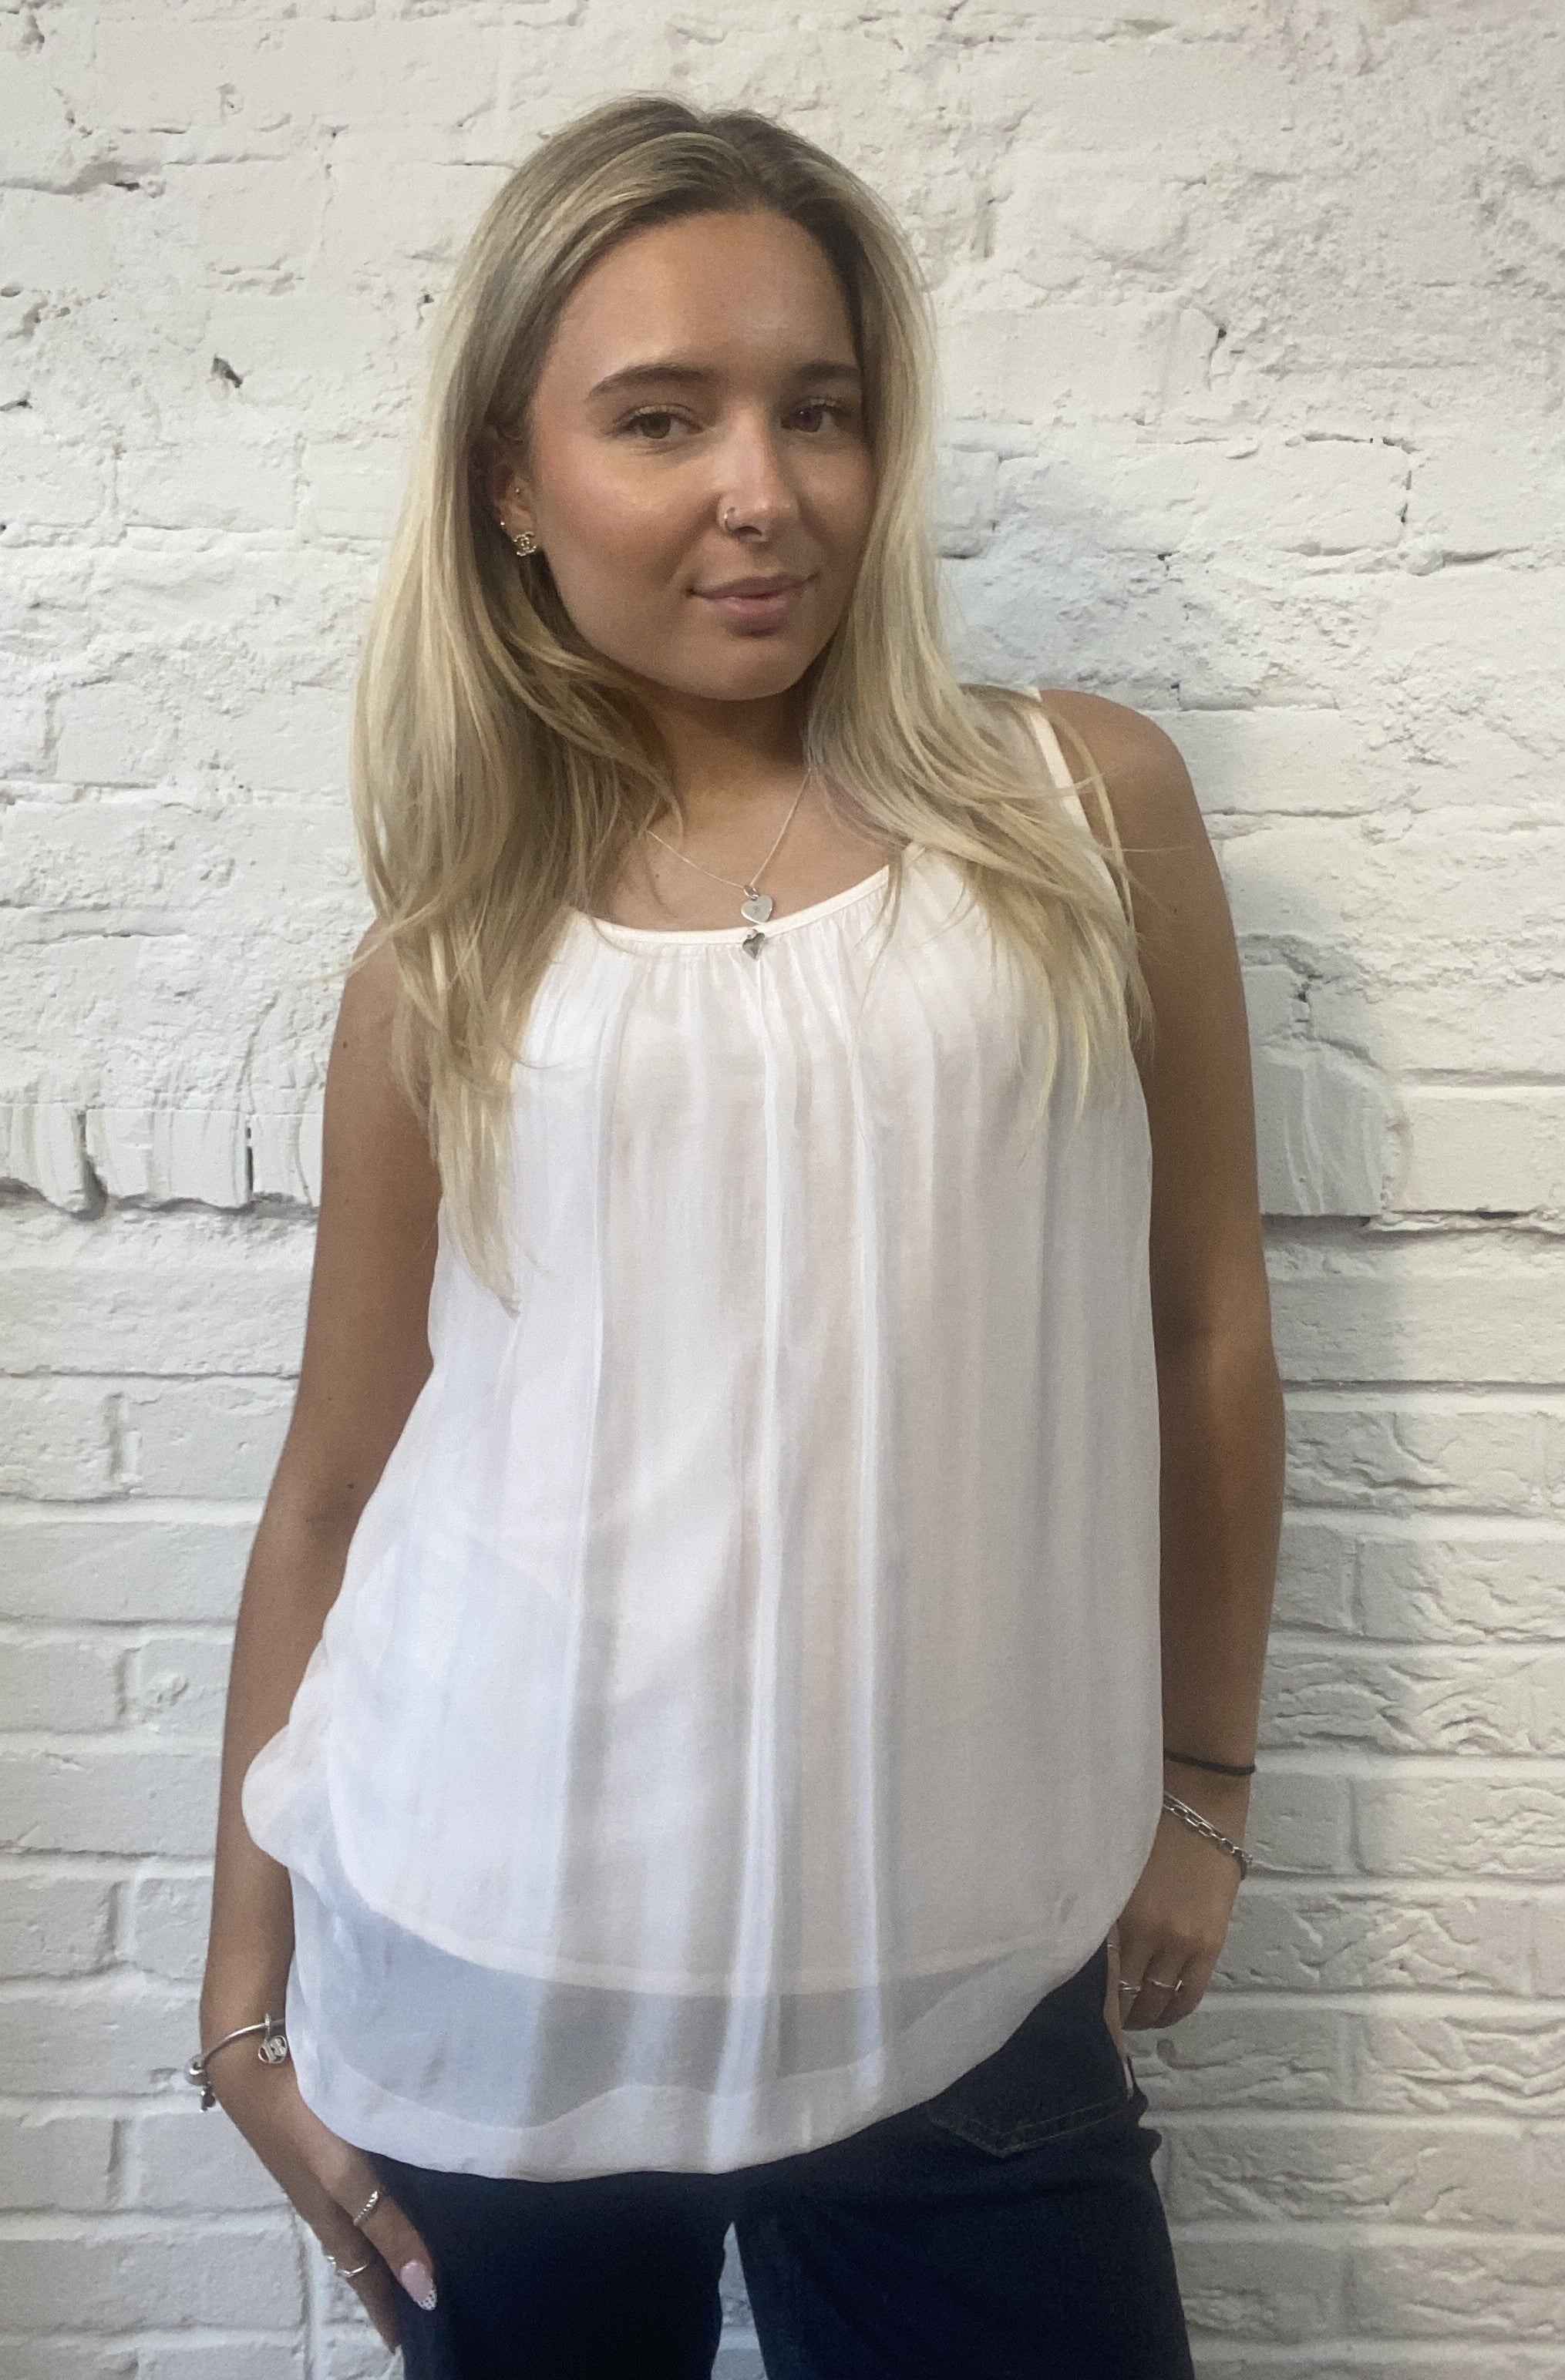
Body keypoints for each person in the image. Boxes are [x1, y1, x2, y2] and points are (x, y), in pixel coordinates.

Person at [190, 92, 1284, 2379]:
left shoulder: (1077, 817)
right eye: (660, 418)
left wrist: (1207, 1788)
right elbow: (340, 1481)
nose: (762, 490)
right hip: (507, 1938)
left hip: (963, 1963)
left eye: (821, 410)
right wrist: (242, 1996)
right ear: (510, 482)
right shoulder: (448, 966)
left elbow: (1201, 1328)